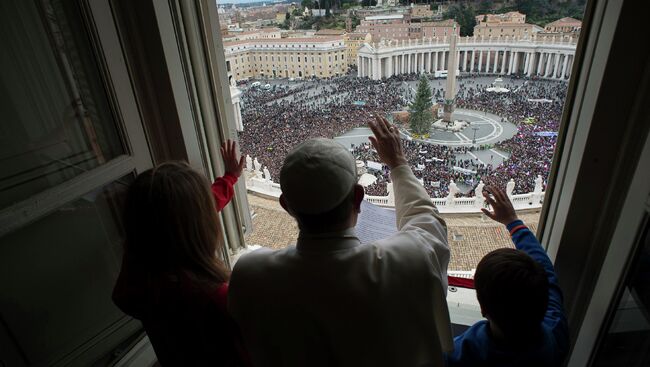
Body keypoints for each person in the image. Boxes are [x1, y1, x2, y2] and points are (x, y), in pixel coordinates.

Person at [229, 116, 453, 366]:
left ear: (286, 206)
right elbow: (427, 224)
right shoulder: (409, 262)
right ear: (358, 197)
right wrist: (398, 163)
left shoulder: (249, 275)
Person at [112, 140, 250, 366]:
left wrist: (229, 178)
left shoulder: (139, 272)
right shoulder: (216, 297)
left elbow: (179, 214)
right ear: (202, 225)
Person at [445, 186, 569, 367]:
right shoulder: (556, 330)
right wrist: (513, 222)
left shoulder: (457, 356)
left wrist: (512, 222)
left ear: (482, 308)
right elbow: (546, 270)